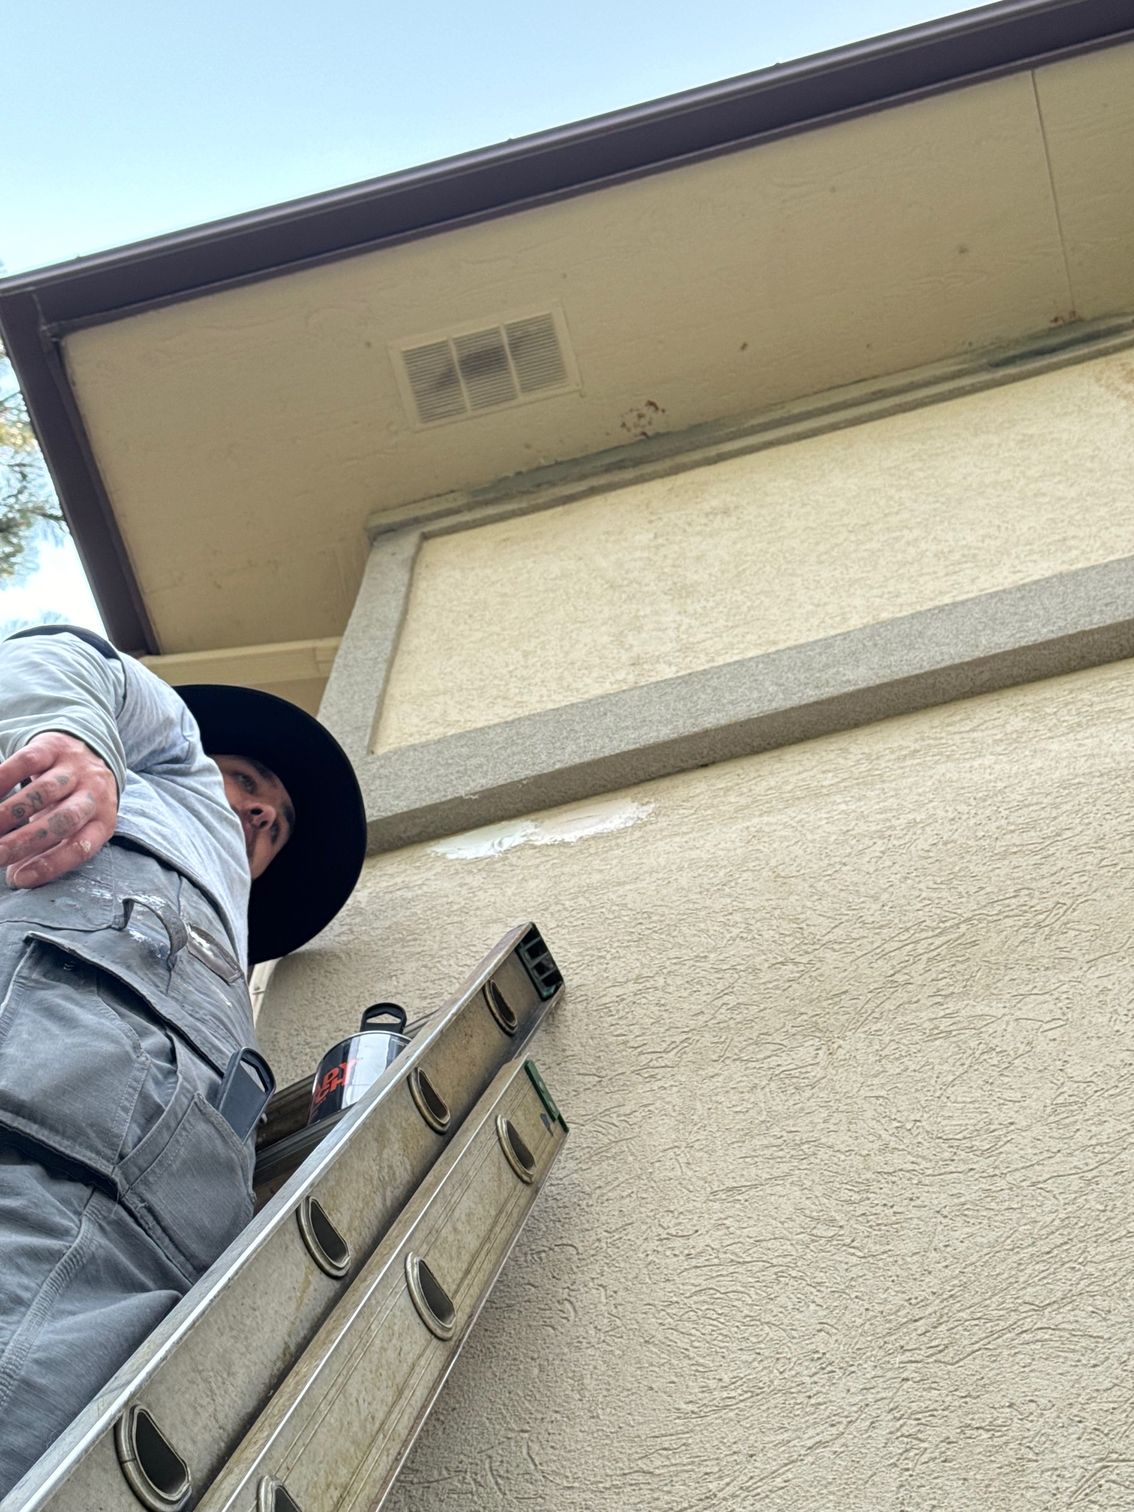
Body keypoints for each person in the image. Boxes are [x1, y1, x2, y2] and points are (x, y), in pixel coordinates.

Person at [0, 624, 366, 1497]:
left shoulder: (229, 945)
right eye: (248, 782)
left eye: (275, 822)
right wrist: (71, 745)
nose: (259, 813)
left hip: (176, 1205)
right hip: (76, 1065)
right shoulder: (172, 763)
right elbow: (64, 655)